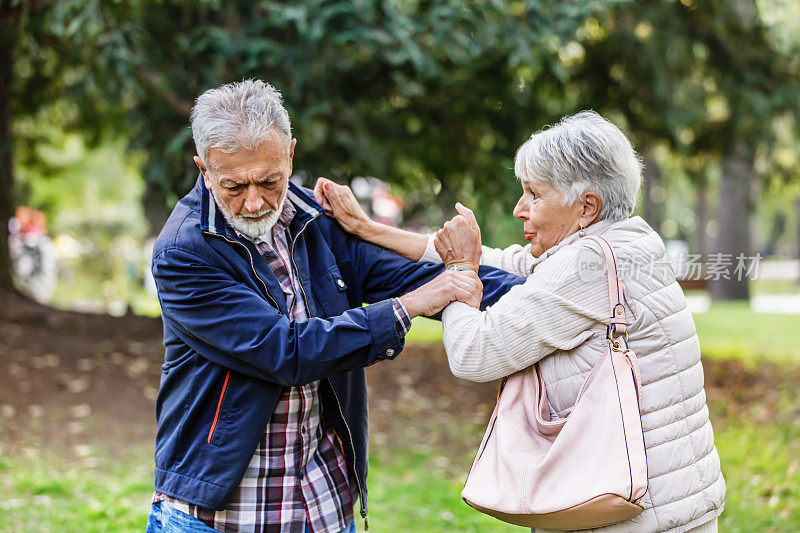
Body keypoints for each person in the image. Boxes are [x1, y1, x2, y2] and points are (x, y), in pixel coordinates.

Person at [316, 111, 725, 532]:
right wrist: (369, 229)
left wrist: (459, 272)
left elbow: (474, 355)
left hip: (630, 515)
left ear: (586, 206)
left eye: (534, 194)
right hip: (675, 500)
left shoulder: (585, 266)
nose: (518, 209)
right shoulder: (627, 240)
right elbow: (503, 262)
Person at [146, 79, 523, 533]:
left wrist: (549, 294)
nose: (253, 201)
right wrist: (410, 307)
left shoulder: (317, 221)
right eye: (233, 186)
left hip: (321, 505)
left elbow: (418, 276)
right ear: (203, 169)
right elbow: (287, 352)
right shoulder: (185, 252)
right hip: (222, 516)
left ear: (291, 155)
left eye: (269, 181)